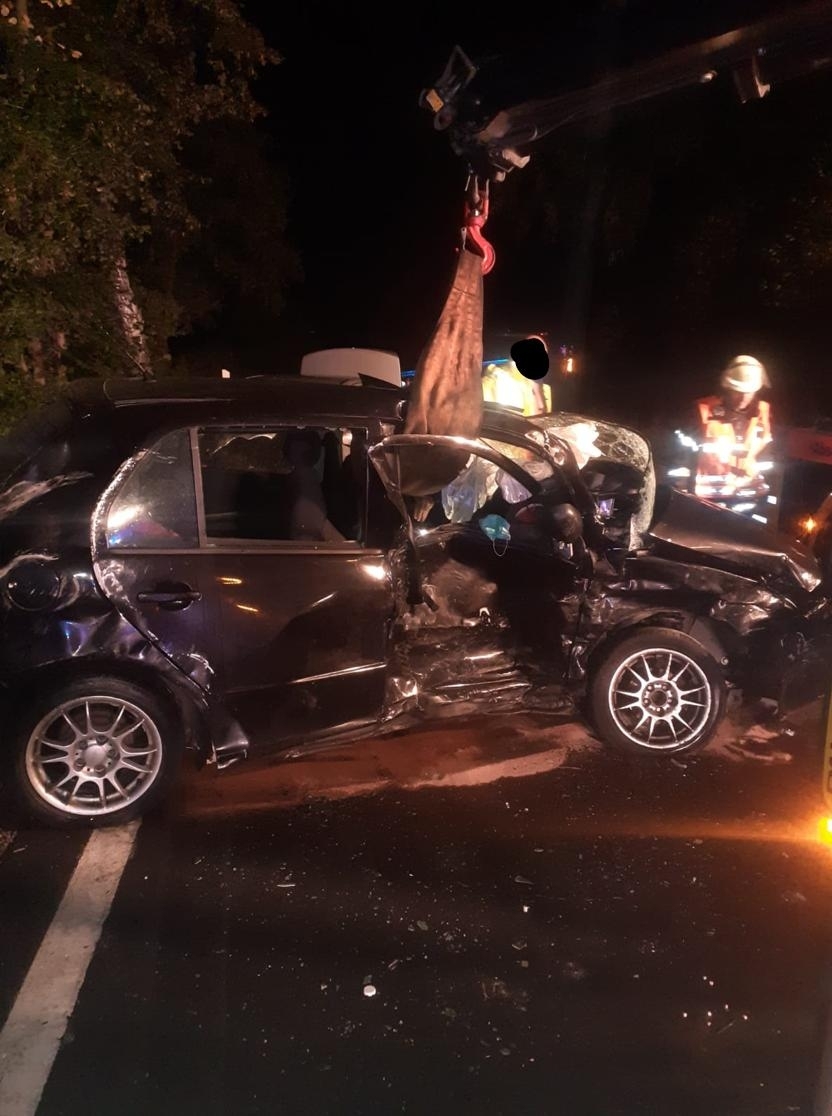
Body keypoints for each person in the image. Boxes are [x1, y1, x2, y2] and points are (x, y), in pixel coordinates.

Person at [692, 354, 773, 500]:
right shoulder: (705, 409)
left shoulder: (763, 412)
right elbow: (685, 452)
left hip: (750, 493)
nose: (743, 397)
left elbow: (768, 452)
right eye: (738, 391)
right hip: (711, 496)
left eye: (749, 392)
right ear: (727, 388)